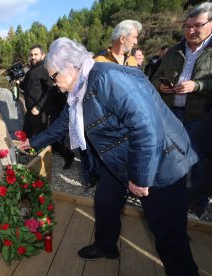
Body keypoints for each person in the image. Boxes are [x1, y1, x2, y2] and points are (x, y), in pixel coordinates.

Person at [19, 37, 199, 275]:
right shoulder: (79, 88)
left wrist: (141, 177)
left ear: (70, 67)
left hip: (158, 164)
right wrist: (32, 143)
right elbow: (63, 123)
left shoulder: (107, 79)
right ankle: (106, 246)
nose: (54, 84)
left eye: (54, 77)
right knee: (105, 202)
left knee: (168, 235)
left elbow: (147, 128)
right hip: (121, 161)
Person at [152, 2, 212, 219]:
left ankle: (196, 207)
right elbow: (156, 75)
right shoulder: (175, 50)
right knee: (169, 159)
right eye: (187, 26)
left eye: (197, 25)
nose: (190, 31)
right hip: (172, 115)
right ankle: (170, 200)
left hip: (201, 117)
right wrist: (160, 85)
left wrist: (198, 86)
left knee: (198, 162)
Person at [18, 45, 74, 169]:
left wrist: (38, 107)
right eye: (31, 54)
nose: (33, 57)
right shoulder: (32, 70)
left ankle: (68, 154)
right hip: (30, 110)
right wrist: (18, 83)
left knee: (45, 137)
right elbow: (26, 87)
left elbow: (52, 89)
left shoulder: (44, 69)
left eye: (36, 54)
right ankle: (26, 155)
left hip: (40, 111)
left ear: (43, 55)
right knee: (25, 133)